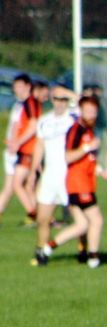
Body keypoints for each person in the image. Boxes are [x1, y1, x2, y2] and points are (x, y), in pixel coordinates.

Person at [35, 94, 103, 268]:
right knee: (96, 220)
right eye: (88, 111)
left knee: (81, 225)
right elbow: (68, 156)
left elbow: (87, 157)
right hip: (77, 183)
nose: (92, 115)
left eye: (94, 112)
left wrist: (99, 168)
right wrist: (88, 147)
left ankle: (48, 249)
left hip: (81, 182)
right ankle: (93, 258)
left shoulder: (88, 129)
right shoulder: (76, 128)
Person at [29, 86, 79, 267]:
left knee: (77, 217)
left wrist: (68, 93)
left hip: (68, 174)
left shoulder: (73, 118)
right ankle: (41, 251)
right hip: (50, 175)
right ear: (52, 100)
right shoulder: (44, 120)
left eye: (63, 99)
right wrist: (33, 173)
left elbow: (85, 103)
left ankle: (84, 249)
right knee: (43, 219)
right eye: (57, 99)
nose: (60, 102)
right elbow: (39, 146)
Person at [2, 74, 39, 227]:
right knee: (10, 185)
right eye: (15, 86)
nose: (16, 89)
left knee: (18, 184)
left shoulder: (30, 102)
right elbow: (18, 125)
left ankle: (34, 215)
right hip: (18, 149)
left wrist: (17, 142)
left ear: (28, 86)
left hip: (27, 150)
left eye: (19, 86)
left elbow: (33, 125)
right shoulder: (21, 104)